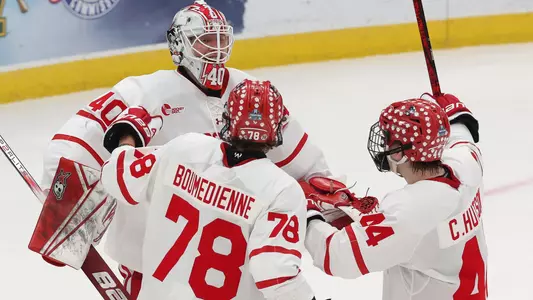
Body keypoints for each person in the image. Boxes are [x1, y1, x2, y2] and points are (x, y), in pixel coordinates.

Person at [39, 1, 337, 297]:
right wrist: (61, 204)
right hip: (151, 261)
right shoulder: (143, 93)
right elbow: (74, 144)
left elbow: (306, 166)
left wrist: (331, 212)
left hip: (232, 265)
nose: (216, 49)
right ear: (179, 45)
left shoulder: (249, 91)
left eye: (221, 39)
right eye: (205, 40)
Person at [100, 79, 316, 300]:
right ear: (277, 128)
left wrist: (127, 137)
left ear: (226, 118)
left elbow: (119, 178)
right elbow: (275, 276)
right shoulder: (281, 190)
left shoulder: (183, 148)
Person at [302, 93, 487, 299]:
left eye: (387, 140)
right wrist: (445, 110)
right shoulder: (467, 164)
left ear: (399, 153)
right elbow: (461, 133)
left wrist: (308, 214)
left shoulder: (408, 211)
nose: (384, 144)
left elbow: (337, 256)